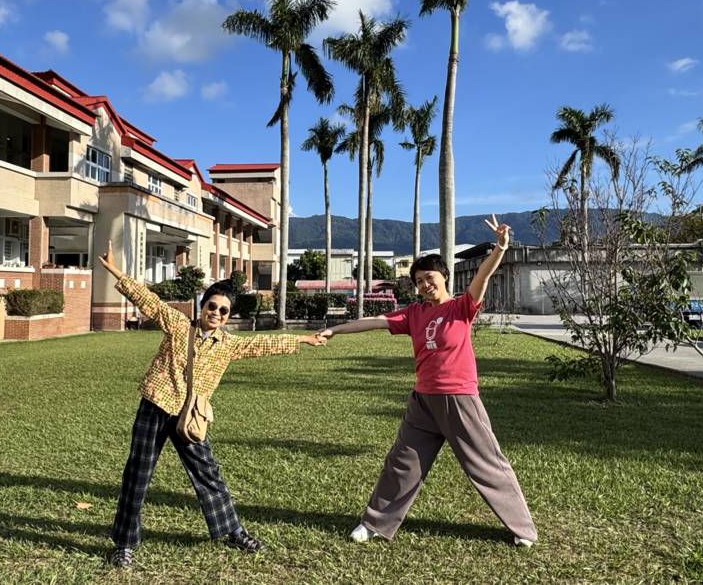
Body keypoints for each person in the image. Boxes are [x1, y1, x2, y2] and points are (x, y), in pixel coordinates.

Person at [97, 240, 327, 568]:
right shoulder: (178, 326)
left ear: (228, 316)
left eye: (223, 310)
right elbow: (148, 301)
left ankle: (231, 530)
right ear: (202, 306)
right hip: (156, 405)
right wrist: (117, 271)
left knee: (208, 472)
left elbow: (265, 343)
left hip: (191, 416)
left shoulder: (228, 345)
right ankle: (124, 543)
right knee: (138, 473)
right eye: (212, 306)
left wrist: (302, 339)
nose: (216, 313)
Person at [319, 215, 538, 548]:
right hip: (423, 400)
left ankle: (523, 529)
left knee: (485, 465)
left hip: (459, 398)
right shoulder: (414, 314)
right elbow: (375, 321)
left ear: (444, 277)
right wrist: (335, 330)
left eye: (429, 278)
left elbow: (482, 276)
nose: (423, 286)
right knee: (401, 463)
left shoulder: (462, 307)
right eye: (418, 281)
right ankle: (375, 523)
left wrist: (499, 249)